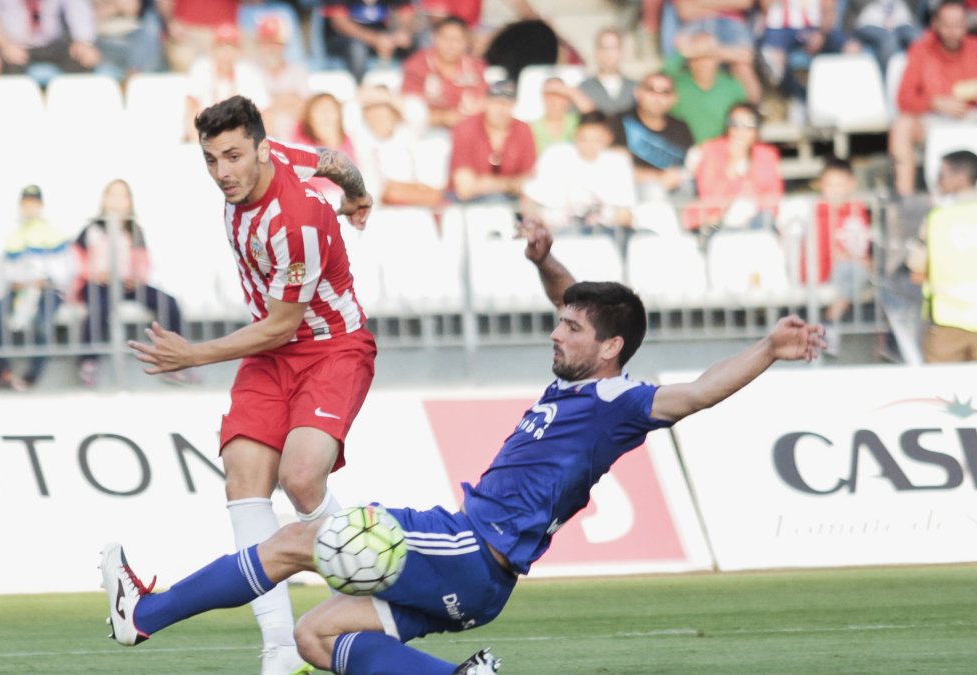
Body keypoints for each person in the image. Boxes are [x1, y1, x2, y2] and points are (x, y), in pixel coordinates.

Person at [100, 216, 826, 675]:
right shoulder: (584, 376)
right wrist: (545, 260)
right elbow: (574, 294)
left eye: (571, 329)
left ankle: (144, 616)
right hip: (480, 583)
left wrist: (768, 346)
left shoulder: (618, 402)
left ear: (610, 348)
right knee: (318, 636)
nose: (555, 330)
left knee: (297, 540)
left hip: (472, 545)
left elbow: (694, 393)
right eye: (560, 320)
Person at [126, 95, 376, 675]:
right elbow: (335, 161)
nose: (223, 173)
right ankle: (281, 649)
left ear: (261, 149)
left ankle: (371, 587)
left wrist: (194, 354)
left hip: (330, 347)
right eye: (212, 160)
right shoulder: (278, 154)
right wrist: (359, 193)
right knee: (243, 477)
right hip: (272, 352)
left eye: (233, 156)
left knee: (300, 477)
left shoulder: (298, 220)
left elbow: (284, 323)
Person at [72, 179, 185, 387]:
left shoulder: (134, 230)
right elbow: (76, 260)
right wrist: (95, 274)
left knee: (168, 303)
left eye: (122, 196)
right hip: (98, 284)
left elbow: (143, 261)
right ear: (104, 200)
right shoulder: (91, 229)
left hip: (128, 284)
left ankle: (173, 360)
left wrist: (137, 277)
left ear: (130, 202)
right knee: (99, 307)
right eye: (112, 195)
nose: (116, 201)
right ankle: (88, 361)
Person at [0, 185, 71, 390]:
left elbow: (62, 268)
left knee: (42, 322)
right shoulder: (14, 234)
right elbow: (8, 269)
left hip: (48, 290)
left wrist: (42, 281)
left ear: (41, 205)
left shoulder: (53, 232)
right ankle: (4, 373)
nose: (30, 208)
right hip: (19, 290)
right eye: (26, 203)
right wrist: (22, 282)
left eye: (34, 203)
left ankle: (32, 376)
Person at [889, 0, 977, 197]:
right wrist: (934, 102)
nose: (953, 31)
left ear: (967, 24)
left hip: (971, 117)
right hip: (933, 119)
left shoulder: (975, 49)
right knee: (901, 127)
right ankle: (906, 200)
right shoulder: (921, 50)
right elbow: (904, 99)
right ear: (936, 24)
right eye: (947, 25)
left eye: (958, 25)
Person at [521, 111, 636, 242]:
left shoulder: (618, 163)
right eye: (584, 138)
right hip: (557, 234)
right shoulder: (555, 155)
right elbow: (528, 201)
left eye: (596, 139)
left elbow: (626, 215)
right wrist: (541, 228)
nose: (589, 145)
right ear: (576, 135)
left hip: (605, 235)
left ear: (608, 138)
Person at [907, 150, 977, 362]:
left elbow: (916, 268)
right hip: (948, 322)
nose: (937, 180)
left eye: (942, 174)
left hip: (947, 323)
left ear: (961, 178)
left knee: (941, 393)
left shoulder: (936, 217)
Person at [803, 157, 871, 355]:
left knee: (858, 270)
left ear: (852, 184)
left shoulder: (857, 208)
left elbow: (859, 242)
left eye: (840, 184)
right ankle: (829, 322)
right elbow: (828, 248)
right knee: (854, 270)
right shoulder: (819, 210)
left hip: (849, 265)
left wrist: (864, 259)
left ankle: (829, 321)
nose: (834, 190)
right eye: (829, 184)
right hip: (823, 267)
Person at [686, 103, 784, 232]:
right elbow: (709, 196)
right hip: (716, 222)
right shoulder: (711, 150)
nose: (741, 131)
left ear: (757, 129)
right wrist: (733, 163)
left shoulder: (767, 154)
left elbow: (773, 196)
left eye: (748, 125)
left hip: (757, 220)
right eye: (735, 124)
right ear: (728, 127)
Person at [355, 84, 446, 208]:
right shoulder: (360, 138)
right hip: (379, 211)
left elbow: (419, 114)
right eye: (372, 110)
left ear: (394, 114)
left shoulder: (407, 134)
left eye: (384, 110)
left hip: (418, 207)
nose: (378, 115)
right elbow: (385, 193)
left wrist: (384, 97)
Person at [609, 72, 695, 201]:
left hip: (675, 193)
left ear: (674, 98)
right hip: (632, 194)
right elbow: (613, 169)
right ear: (638, 93)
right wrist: (658, 178)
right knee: (653, 191)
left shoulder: (681, 128)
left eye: (665, 92)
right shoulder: (619, 122)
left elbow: (689, 168)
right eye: (651, 90)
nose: (657, 97)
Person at [449, 79, 537, 204]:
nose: (501, 110)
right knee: (496, 202)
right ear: (486, 103)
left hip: (510, 201)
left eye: (507, 104)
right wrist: (510, 184)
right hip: (467, 204)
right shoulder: (466, 128)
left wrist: (487, 183)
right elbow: (465, 189)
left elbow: (529, 180)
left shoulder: (523, 129)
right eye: (496, 103)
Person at [758, 0, 849, 117]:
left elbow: (829, 9)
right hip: (781, 29)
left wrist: (822, 34)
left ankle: (845, 100)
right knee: (773, 61)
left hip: (815, 28)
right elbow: (767, 6)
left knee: (851, 48)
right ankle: (795, 99)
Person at [184, 22, 269, 141]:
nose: (226, 52)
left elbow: (262, 112)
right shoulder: (201, 69)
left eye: (231, 47)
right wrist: (197, 143)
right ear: (213, 49)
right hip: (205, 135)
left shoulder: (249, 73)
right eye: (221, 46)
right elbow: (191, 108)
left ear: (239, 51)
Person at [400, 15, 486, 129]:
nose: (450, 45)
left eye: (457, 39)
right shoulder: (418, 64)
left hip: (466, 127)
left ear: (467, 42)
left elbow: (484, 102)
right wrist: (444, 118)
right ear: (434, 38)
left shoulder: (476, 67)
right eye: (445, 38)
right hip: (425, 129)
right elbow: (409, 107)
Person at [665, 31, 749, 144]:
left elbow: (743, 118)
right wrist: (681, 52)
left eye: (708, 57)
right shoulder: (677, 82)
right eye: (696, 57)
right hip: (680, 149)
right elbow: (659, 79)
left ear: (717, 59)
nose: (702, 63)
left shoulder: (732, 86)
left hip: (718, 152)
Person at [672, 0, 762, 102]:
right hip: (696, 24)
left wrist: (699, 3)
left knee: (743, 67)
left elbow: (745, 3)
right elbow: (685, 11)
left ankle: (753, 110)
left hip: (732, 24)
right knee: (702, 64)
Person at [0, 0, 100, 77]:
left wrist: (84, 43)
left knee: (83, 60)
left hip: (51, 43)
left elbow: (77, 10)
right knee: (12, 73)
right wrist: (5, 45)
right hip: (12, 45)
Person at [320, 0, 416, 83]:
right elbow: (339, 22)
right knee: (357, 49)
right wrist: (375, 39)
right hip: (344, 40)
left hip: (382, 39)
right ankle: (358, 89)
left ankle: (410, 89)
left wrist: (401, 33)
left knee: (411, 43)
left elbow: (406, 13)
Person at [293, 92, 356, 208]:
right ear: (309, 117)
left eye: (331, 110)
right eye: (320, 111)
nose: (326, 116)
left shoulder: (349, 141)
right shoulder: (299, 143)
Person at [255, 14, 310, 141]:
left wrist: (269, 104)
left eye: (276, 43)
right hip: (261, 142)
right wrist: (288, 99)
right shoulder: (251, 71)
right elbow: (251, 113)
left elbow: (306, 109)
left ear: (284, 45)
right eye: (266, 42)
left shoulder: (298, 71)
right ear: (260, 45)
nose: (271, 48)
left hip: (296, 140)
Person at [156, 0, 239, 73]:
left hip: (226, 32)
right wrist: (172, 21)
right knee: (185, 63)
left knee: (236, 67)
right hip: (186, 31)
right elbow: (164, 2)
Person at [842, 0, 921, 75]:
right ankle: (884, 84)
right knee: (888, 41)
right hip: (871, 23)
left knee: (920, 39)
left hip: (902, 22)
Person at [93, 0, 163, 80]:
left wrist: (113, 6)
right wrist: (118, 6)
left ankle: (134, 79)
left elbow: (132, 8)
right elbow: (90, 17)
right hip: (103, 41)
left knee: (151, 24)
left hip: (134, 38)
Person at [576, 27, 637, 118]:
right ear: (596, 52)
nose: (609, 53)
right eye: (604, 47)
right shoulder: (583, 89)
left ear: (622, 52)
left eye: (614, 47)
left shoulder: (636, 88)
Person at [530, 77, 581, 152]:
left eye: (559, 96)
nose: (553, 101)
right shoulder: (531, 127)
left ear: (567, 99)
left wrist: (570, 91)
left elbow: (596, 116)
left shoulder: (577, 123)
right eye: (548, 97)